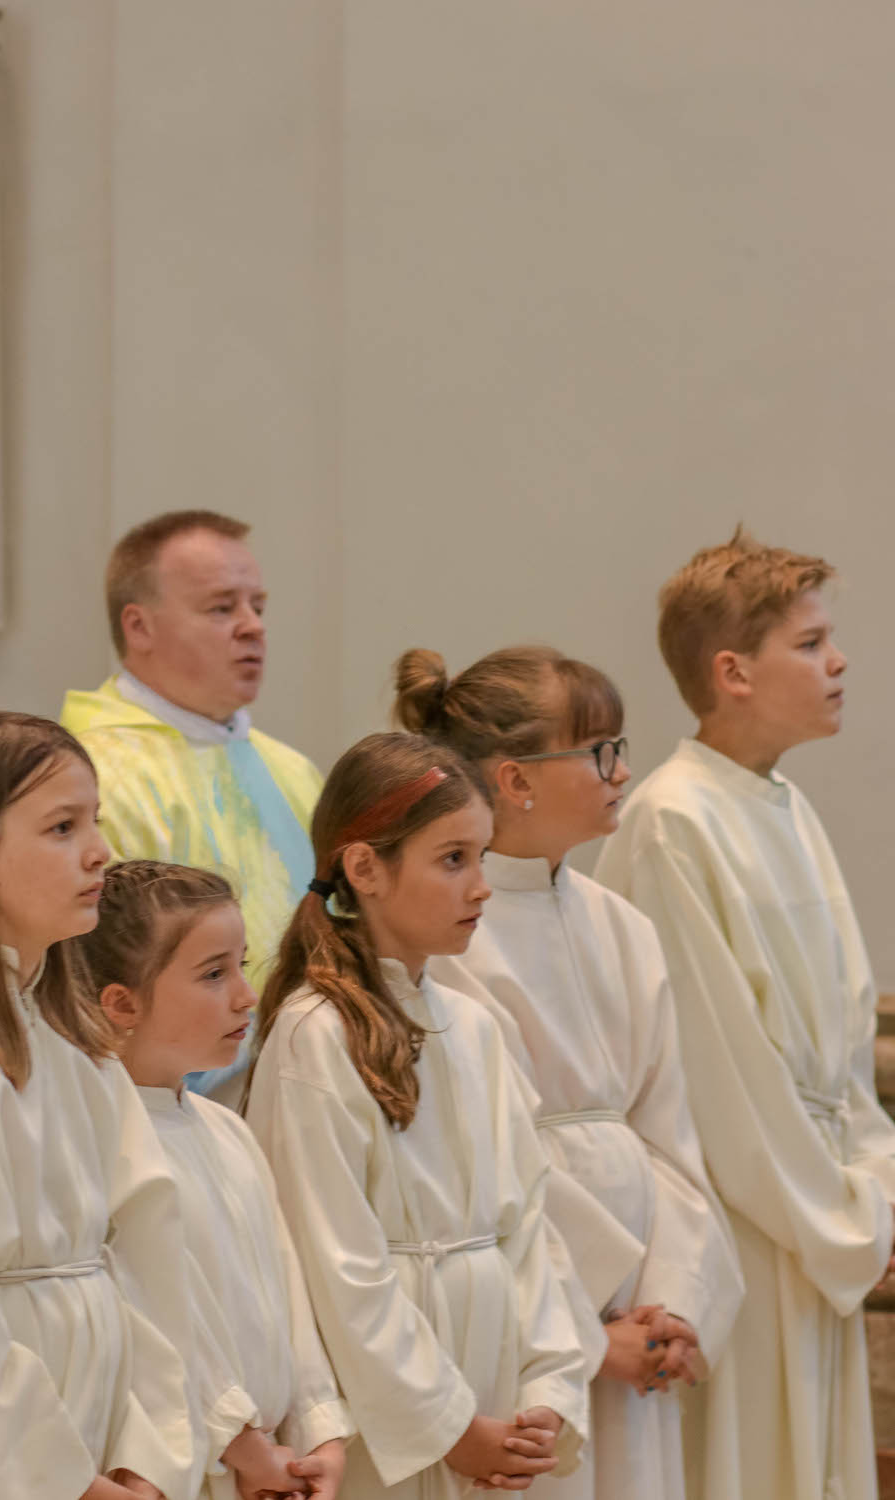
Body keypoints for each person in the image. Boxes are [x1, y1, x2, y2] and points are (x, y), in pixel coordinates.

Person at [394, 645, 743, 1500]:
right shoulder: (450, 941)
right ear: (515, 779)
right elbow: (490, 1164)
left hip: (641, 1320)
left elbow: (667, 1131)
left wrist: (672, 1303)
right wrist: (589, 1332)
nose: (623, 770)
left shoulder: (621, 925)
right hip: (535, 1317)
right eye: (599, 752)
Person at [594, 528, 895, 1500]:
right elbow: (719, 1072)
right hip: (742, 1216)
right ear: (731, 670)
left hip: (817, 1205)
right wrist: (845, 1214)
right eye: (808, 644)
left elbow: (843, 1040)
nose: (837, 661)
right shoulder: (672, 819)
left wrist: (872, 1182)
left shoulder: (782, 805)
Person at [244, 733, 593, 1498]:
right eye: (452, 859)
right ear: (365, 868)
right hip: (392, 1413)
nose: (481, 887)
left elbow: (530, 1228)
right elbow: (339, 1270)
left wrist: (549, 1394)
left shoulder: (474, 1026)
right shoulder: (316, 1035)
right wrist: (450, 1429)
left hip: (498, 1382)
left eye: (482, 857)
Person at [0, 710, 199, 1500]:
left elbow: (144, 1261)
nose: (99, 851)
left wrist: (149, 1458)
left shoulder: (74, 1045)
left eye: (94, 820)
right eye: (62, 827)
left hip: (104, 1446)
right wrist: (72, 1485)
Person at [80, 859, 353, 1500]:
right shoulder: (100, 1138)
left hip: (268, 1465)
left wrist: (319, 1433)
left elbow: (288, 1291)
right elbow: (155, 1314)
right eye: (212, 974)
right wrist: (241, 1443)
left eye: (241, 966)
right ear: (122, 1003)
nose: (245, 997)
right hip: (178, 1469)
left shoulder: (225, 1129)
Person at [60, 509, 322, 1101]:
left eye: (258, 606)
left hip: (307, 1091)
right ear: (140, 627)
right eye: (222, 608)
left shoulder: (293, 770)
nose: (253, 627)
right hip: (161, 1106)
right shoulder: (90, 777)